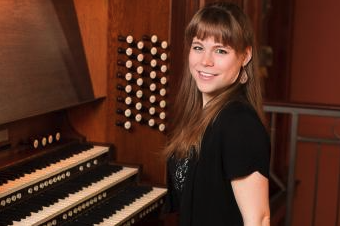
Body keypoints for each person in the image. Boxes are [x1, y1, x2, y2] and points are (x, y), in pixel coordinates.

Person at [164, 2, 271, 226]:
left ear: (245, 56)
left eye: (220, 50)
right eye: (198, 47)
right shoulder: (202, 115)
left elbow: (258, 220)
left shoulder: (239, 124)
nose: (206, 61)